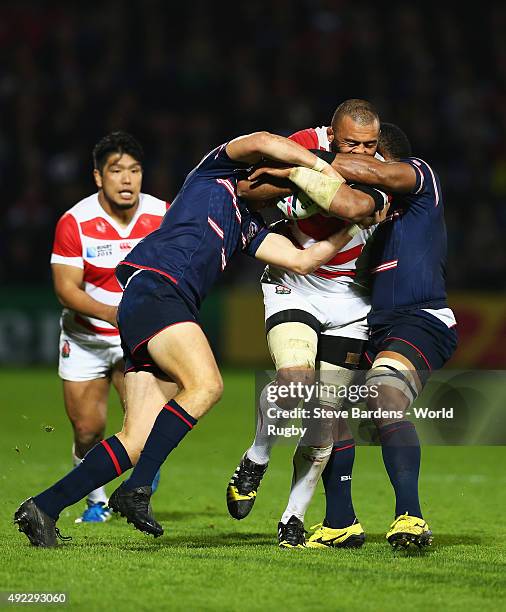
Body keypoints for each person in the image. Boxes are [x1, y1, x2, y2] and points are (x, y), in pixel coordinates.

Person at [14, 130, 381, 547]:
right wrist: (321, 166)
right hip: (157, 290)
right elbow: (261, 138)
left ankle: (44, 507)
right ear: (254, 172)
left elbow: (302, 259)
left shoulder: (246, 226)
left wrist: (351, 223)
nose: (269, 190)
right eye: (271, 180)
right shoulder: (214, 173)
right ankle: (139, 488)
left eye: (278, 190)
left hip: (158, 304)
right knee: (206, 385)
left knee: (136, 438)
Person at [261, 123, 458, 550]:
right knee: (326, 411)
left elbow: (383, 175)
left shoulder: (417, 178)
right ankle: (340, 523)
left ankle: (411, 517)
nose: (361, 163)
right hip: (373, 323)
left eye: (369, 153)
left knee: (384, 393)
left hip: (420, 319)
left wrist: (307, 160)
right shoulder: (368, 210)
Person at [226, 99, 384, 548]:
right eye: (352, 143)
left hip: (351, 300)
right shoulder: (303, 146)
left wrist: (302, 194)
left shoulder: (385, 169)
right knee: (294, 381)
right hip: (296, 281)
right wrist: (304, 190)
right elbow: (249, 190)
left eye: (369, 145)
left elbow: (358, 208)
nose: (361, 152)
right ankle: (257, 456)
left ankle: (292, 517)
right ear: (332, 136)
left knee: (324, 420)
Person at [50, 131, 170, 522]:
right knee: (88, 429)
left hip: (134, 338)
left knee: (142, 424)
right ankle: (95, 500)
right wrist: (111, 313)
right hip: (86, 337)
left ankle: (137, 484)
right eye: (116, 170)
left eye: (134, 170)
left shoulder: (161, 214)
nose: (126, 179)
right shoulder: (76, 221)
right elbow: (66, 290)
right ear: (99, 177)